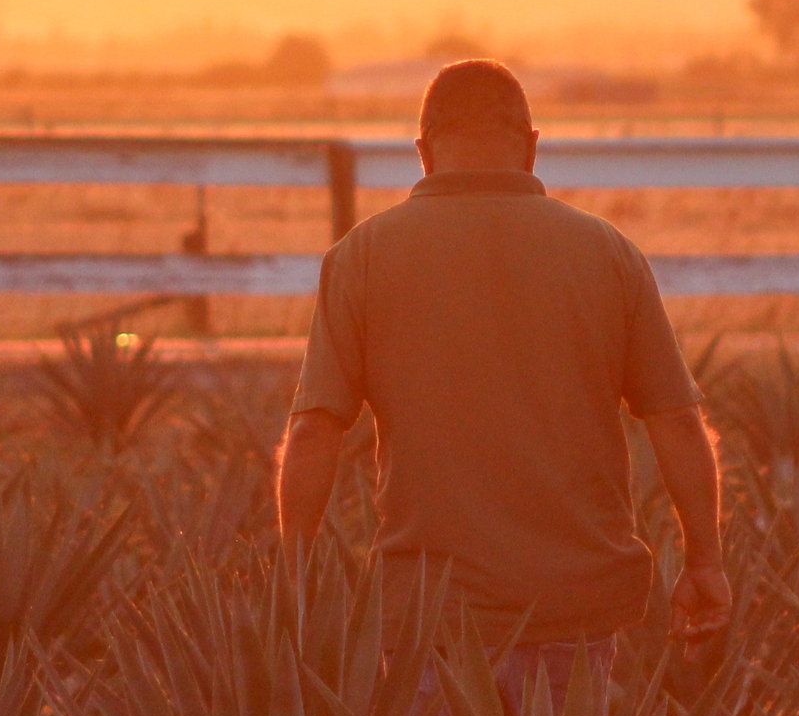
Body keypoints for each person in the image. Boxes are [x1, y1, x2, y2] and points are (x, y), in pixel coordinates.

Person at [275, 59, 732, 679]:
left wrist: (296, 587)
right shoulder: (608, 252)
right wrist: (704, 563)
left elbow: (313, 432)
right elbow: (677, 422)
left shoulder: (360, 258)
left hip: (429, 616)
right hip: (578, 605)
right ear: (532, 147)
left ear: (423, 152)